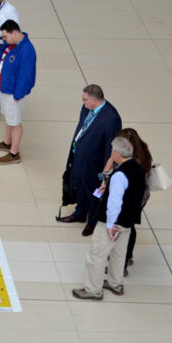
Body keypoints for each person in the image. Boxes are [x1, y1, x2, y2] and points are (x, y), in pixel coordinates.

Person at [72, 137, 146, 300]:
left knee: (96, 256)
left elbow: (115, 202)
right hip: (127, 222)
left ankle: (93, 289)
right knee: (119, 254)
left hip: (113, 222)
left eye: (112, 150)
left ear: (117, 153)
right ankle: (115, 283)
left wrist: (110, 224)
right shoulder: (137, 168)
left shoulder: (120, 175)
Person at [58, 85, 122, 237]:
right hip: (78, 156)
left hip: (94, 164)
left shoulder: (111, 118)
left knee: (93, 194)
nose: (83, 102)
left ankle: (92, 222)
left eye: (85, 99)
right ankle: (80, 213)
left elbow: (110, 146)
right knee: (79, 186)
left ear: (94, 100)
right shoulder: (87, 108)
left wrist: (105, 171)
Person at [99, 128, 152, 276]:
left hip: (126, 198)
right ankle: (127, 257)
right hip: (140, 197)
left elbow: (107, 178)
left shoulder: (124, 162)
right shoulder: (144, 153)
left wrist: (110, 162)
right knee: (130, 225)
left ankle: (120, 261)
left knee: (120, 226)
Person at [0, 19, 36, 165]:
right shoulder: (11, 44)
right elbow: (4, 58)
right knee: (9, 117)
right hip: (4, 88)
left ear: (14, 33)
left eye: (5, 36)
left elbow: (25, 75)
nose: (4, 39)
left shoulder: (27, 50)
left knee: (15, 122)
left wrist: (18, 94)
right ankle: (7, 142)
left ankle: (14, 153)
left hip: (14, 93)